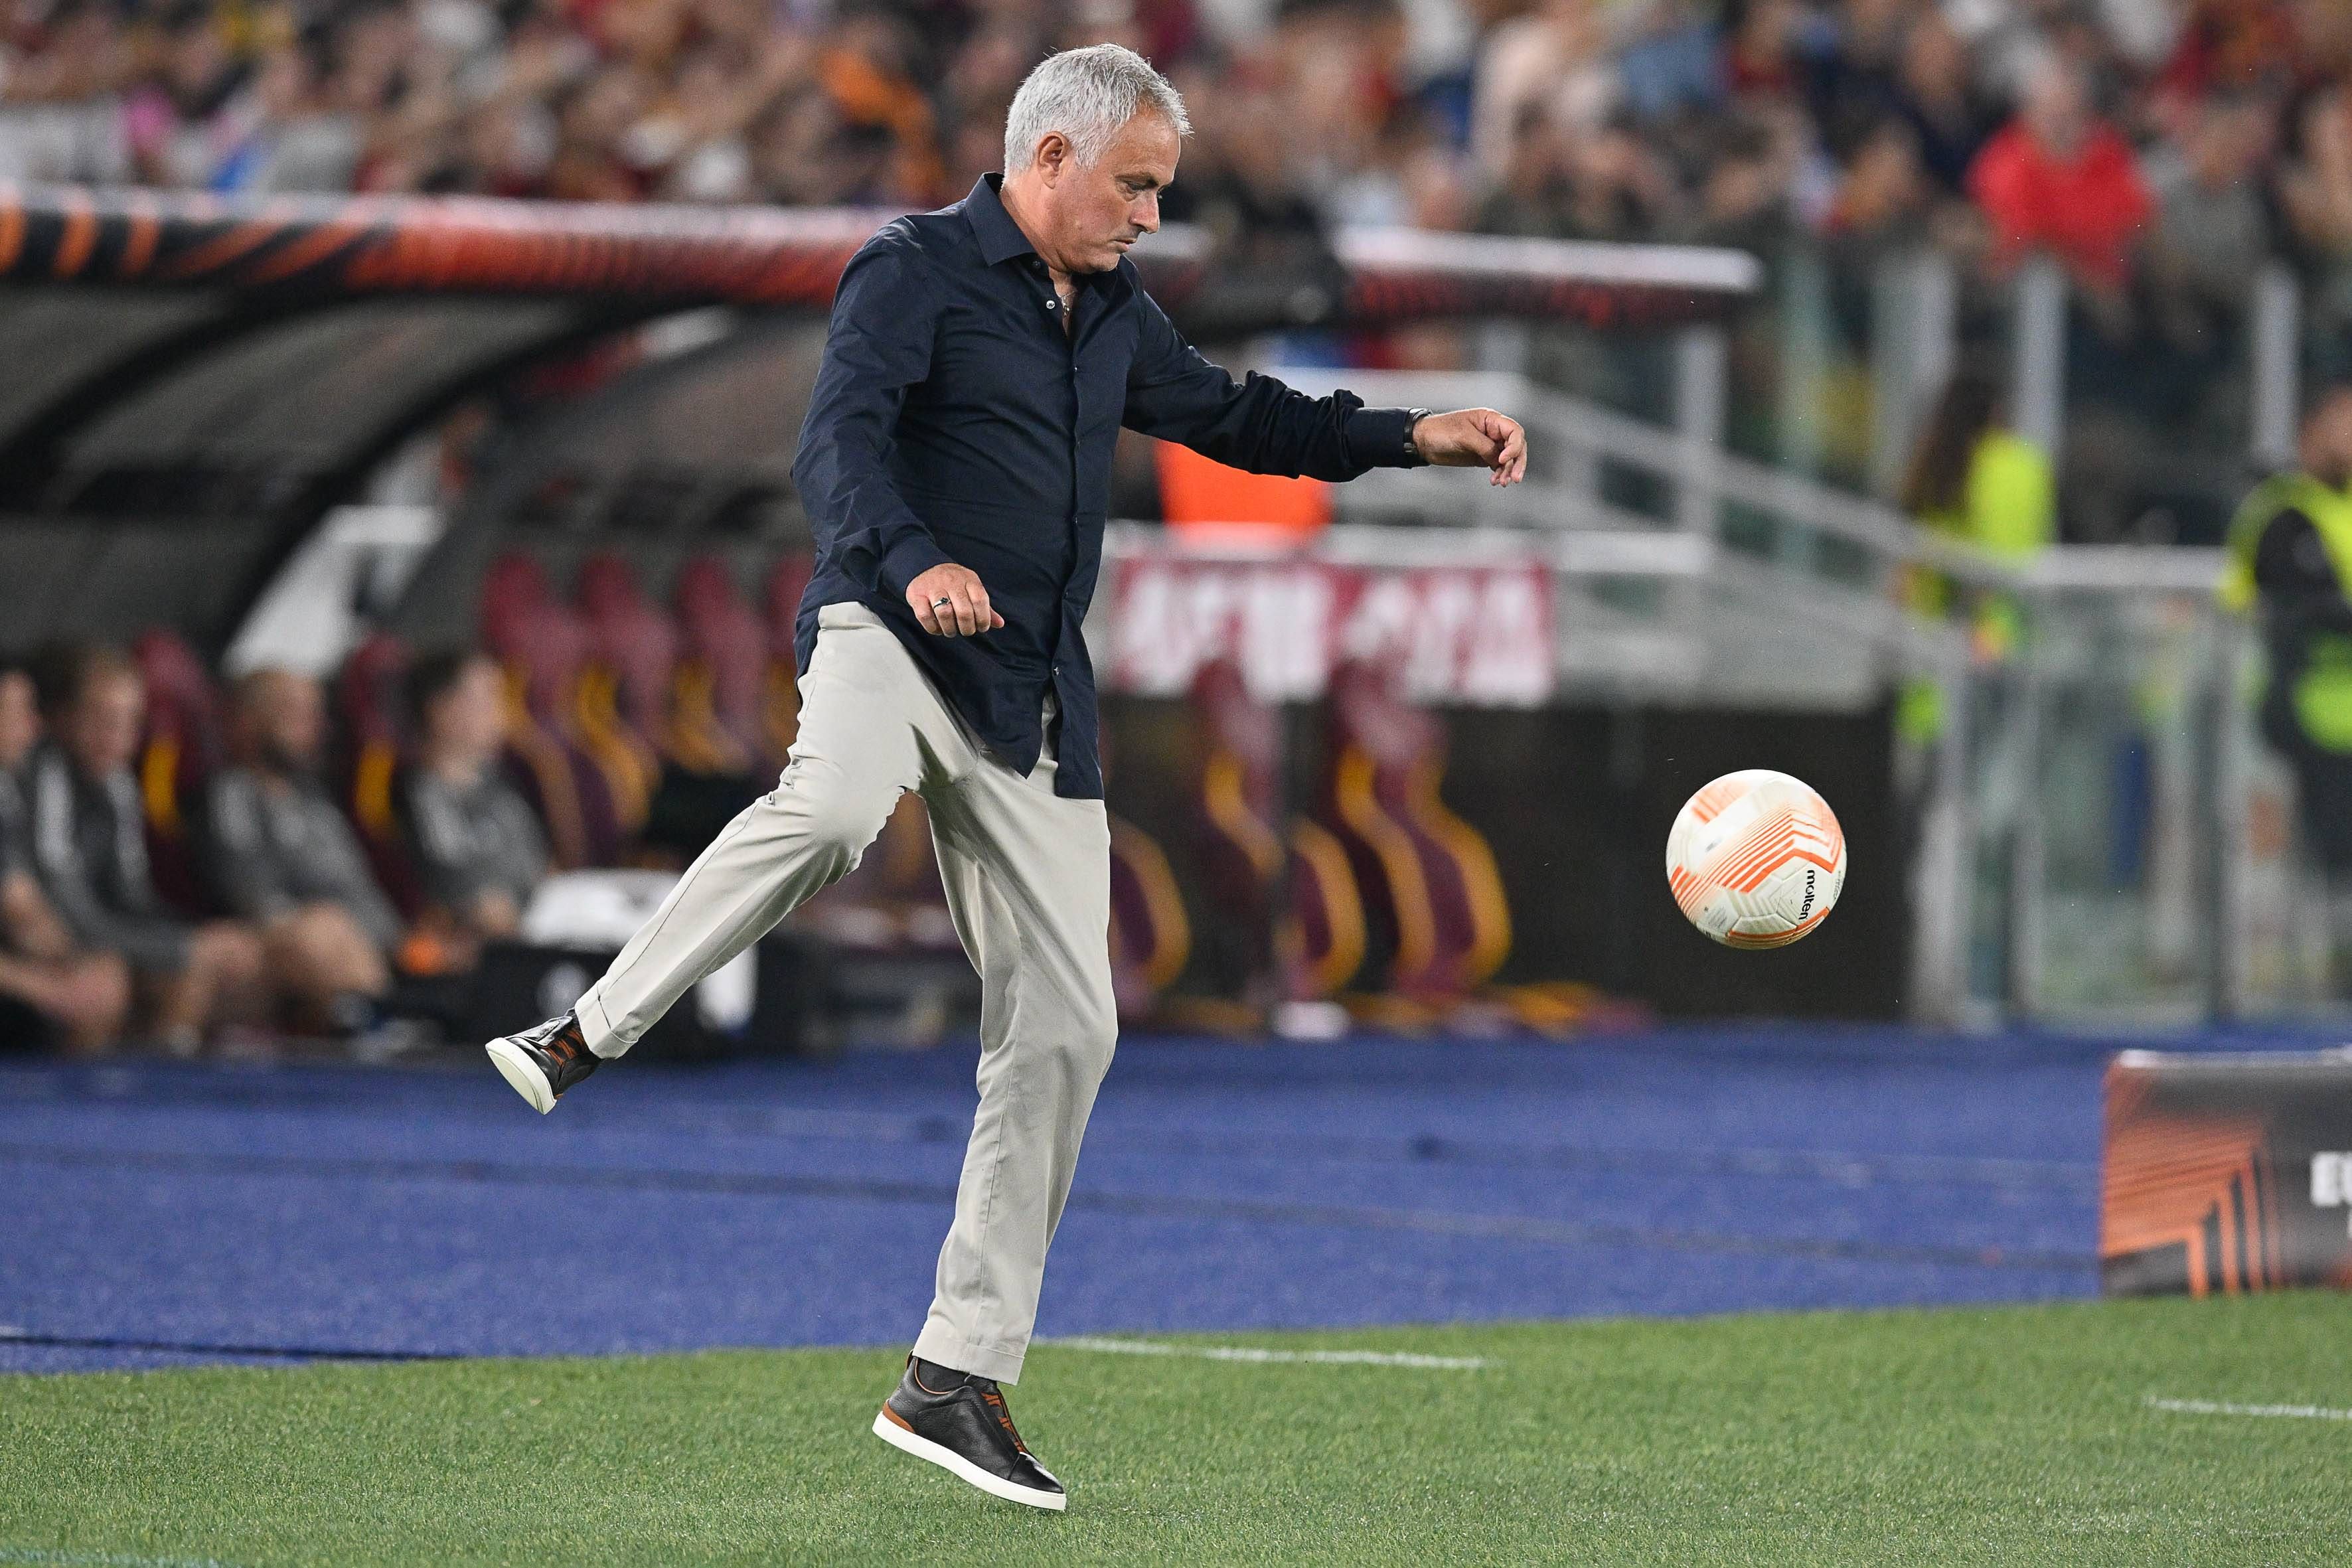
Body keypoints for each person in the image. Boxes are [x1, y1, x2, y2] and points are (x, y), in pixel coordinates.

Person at [479, 42, 1528, 1512]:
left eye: (1159, 190)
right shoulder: (910, 268)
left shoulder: (1111, 313)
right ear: (1048, 158)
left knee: (1068, 1033)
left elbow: (1240, 415)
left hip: (1032, 685)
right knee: (834, 805)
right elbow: (835, 447)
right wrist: (915, 562)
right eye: (1135, 186)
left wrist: (1409, 436)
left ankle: (952, 1376)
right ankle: (589, 1025)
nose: (1150, 218)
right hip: (886, 630)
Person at [26, 643, 266, 1055]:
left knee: (234, 966)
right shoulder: (46, 778)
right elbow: (68, 913)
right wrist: (182, 948)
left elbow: (133, 897)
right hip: (46, 945)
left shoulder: (119, 786)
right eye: (100, 719)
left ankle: (167, 1074)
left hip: (101, 938)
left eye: (127, 723)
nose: (114, 738)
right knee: (133, 977)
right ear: (63, 717)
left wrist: (196, 936)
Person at [2219, 383, 2352, 986]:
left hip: (2339, 711)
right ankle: (2262, 981)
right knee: (2273, 855)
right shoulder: (2280, 510)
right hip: (2288, 707)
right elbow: (2300, 602)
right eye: (2340, 422)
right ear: (2308, 432)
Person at [202, 668, 406, 1036]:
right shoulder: (234, 794)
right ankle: (378, 1027)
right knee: (322, 930)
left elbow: (359, 886)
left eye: (316, 714)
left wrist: (398, 939)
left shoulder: (316, 801)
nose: (316, 727)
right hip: (283, 943)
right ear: (251, 722)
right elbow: (251, 892)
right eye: (296, 715)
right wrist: (316, 928)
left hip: (362, 945)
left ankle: (383, 1020)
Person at [0, 658, 130, 1052]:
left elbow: (22, 904)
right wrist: (44, 987)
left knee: (102, 984)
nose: (34, 727)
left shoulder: (6, 790)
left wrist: (74, 963)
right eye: (16, 711)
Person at [396, 650, 548, 965]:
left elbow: (542, 867)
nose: (502, 713)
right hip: (479, 950)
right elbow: (460, 889)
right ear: (441, 710)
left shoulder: (504, 785)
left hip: (541, 921)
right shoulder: (424, 794)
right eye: (487, 699)